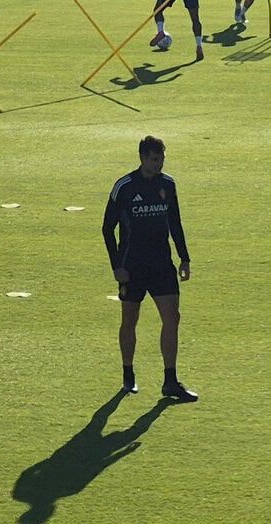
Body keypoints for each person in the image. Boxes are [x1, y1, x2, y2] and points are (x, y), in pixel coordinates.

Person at [101, 135, 198, 402]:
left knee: (172, 318)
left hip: (161, 265)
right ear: (142, 157)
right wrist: (116, 267)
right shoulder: (125, 186)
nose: (159, 163)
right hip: (132, 266)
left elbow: (175, 223)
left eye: (162, 158)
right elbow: (107, 229)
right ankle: (128, 376)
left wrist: (184, 258)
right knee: (130, 319)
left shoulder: (168, 184)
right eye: (155, 159)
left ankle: (170, 380)